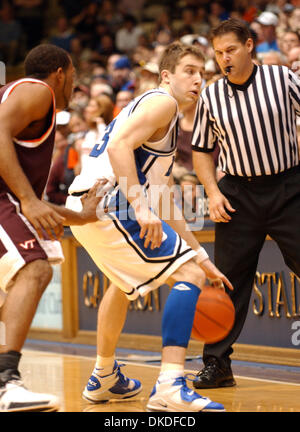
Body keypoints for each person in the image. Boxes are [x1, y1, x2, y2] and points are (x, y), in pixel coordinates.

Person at [66, 41, 233, 412]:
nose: (197, 80)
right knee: (187, 274)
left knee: (121, 286)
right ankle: (171, 385)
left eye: (202, 74)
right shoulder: (163, 102)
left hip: (88, 203)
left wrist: (202, 254)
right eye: (189, 71)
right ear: (165, 76)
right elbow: (118, 148)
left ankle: (104, 376)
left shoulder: (159, 117)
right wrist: (141, 208)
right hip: (111, 200)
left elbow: (163, 195)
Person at [191, 18, 300, 389]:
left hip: (288, 186)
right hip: (237, 193)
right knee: (227, 282)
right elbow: (202, 150)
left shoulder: (281, 78)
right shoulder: (210, 95)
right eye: (219, 53)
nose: (224, 59)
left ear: (250, 45)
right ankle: (217, 364)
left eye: (231, 50)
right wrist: (213, 191)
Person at [0, 44, 101, 412]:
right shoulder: (37, 90)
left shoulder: (25, 110)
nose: (74, 83)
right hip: (4, 201)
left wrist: (83, 217)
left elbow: (39, 205)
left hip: (8, 200)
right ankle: (5, 382)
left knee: (10, 290)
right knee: (35, 267)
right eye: (73, 75)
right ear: (60, 72)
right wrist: (27, 201)